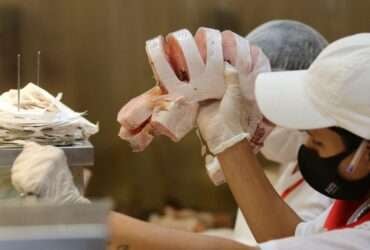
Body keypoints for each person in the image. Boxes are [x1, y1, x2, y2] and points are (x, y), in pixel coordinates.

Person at [11, 33, 370, 250]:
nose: (305, 145)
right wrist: (228, 141)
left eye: (317, 142)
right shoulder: (355, 209)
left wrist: (78, 216)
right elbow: (287, 238)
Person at [202, 20, 333, 244]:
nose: (258, 121)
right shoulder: (290, 168)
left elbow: (290, 245)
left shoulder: (331, 185)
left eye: (270, 107)